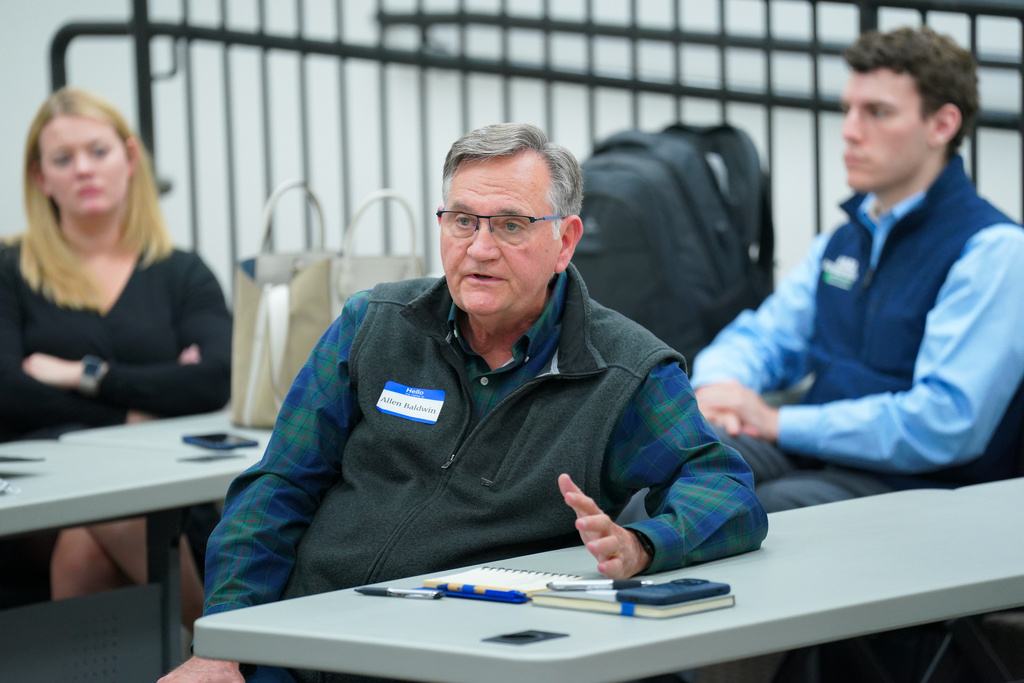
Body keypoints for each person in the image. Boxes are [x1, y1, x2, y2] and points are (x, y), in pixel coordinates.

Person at [161, 122, 768, 682]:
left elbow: (725, 489)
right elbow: (277, 485)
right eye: (462, 221)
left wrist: (644, 544)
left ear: (564, 241)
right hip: (303, 645)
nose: (479, 248)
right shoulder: (374, 323)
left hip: (459, 662)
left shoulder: (623, 371)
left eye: (510, 225)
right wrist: (224, 642)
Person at [690, 26, 1024, 513]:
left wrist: (778, 422)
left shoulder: (993, 251)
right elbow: (766, 337)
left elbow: (944, 423)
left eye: (877, 112)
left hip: (924, 487)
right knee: (678, 467)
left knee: (761, 512)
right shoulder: (846, 240)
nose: (849, 130)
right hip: (818, 454)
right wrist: (716, 389)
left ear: (942, 125)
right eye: (848, 109)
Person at [0, 87, 232, 629]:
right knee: (108, 508)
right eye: (63, 158)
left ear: (129, 159)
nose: (83, 168)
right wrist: (134, 408)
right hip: (39, 489)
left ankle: (213, 648)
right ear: (41, 178)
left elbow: (213, 379)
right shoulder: (10, 268)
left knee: (92, 539)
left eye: (98, 151)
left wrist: (83, 376)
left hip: (160, 481)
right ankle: (223, 645)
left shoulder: (182, 272)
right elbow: (8, 391)